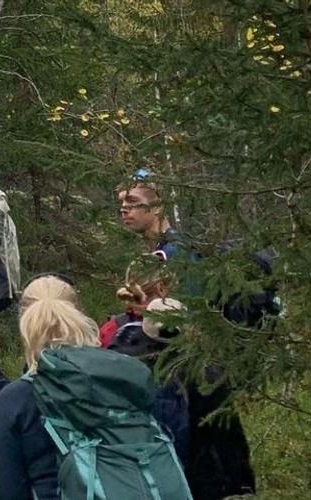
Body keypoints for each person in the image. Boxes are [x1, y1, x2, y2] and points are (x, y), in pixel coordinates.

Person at [104, 174, 258, 499]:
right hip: (186, 377)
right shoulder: (161, 251)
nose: (124, 210)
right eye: (121, 204)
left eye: (133, 203)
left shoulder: (176, 253)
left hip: (196, 378)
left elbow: (188, 319)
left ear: (157, 207)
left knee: (205, 465)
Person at [0, 274, 192, 500]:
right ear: (78, 313)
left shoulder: (17, 398)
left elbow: (8, 490)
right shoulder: (121, 374)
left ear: (24, 322)